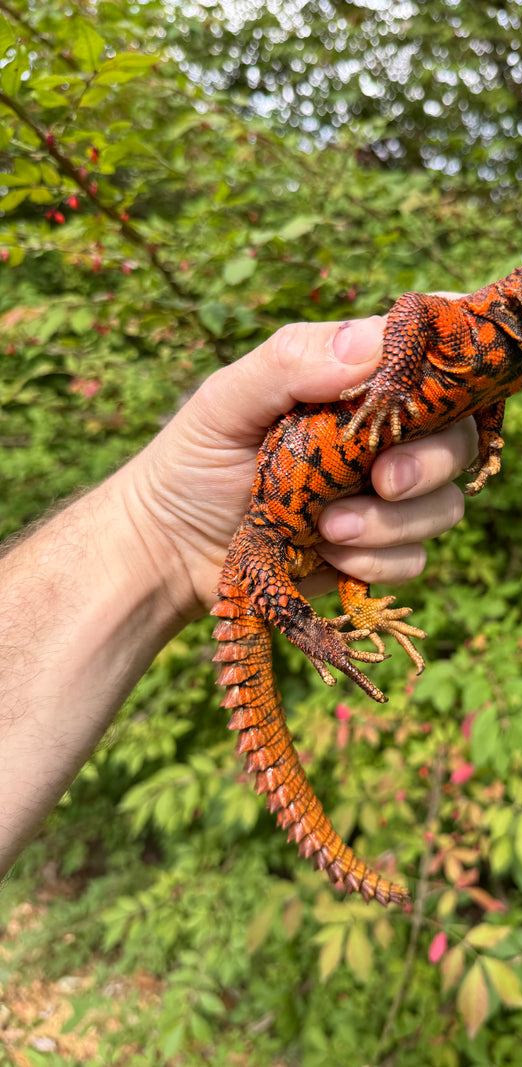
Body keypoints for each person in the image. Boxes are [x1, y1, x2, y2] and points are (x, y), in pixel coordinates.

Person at [0, 315, 476, 878]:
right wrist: (321, 637)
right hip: (266, 536)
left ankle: (355, 608)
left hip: (297, 528)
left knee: (351, 536)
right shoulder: (437, 327)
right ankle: (334, 630)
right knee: (337, 548)